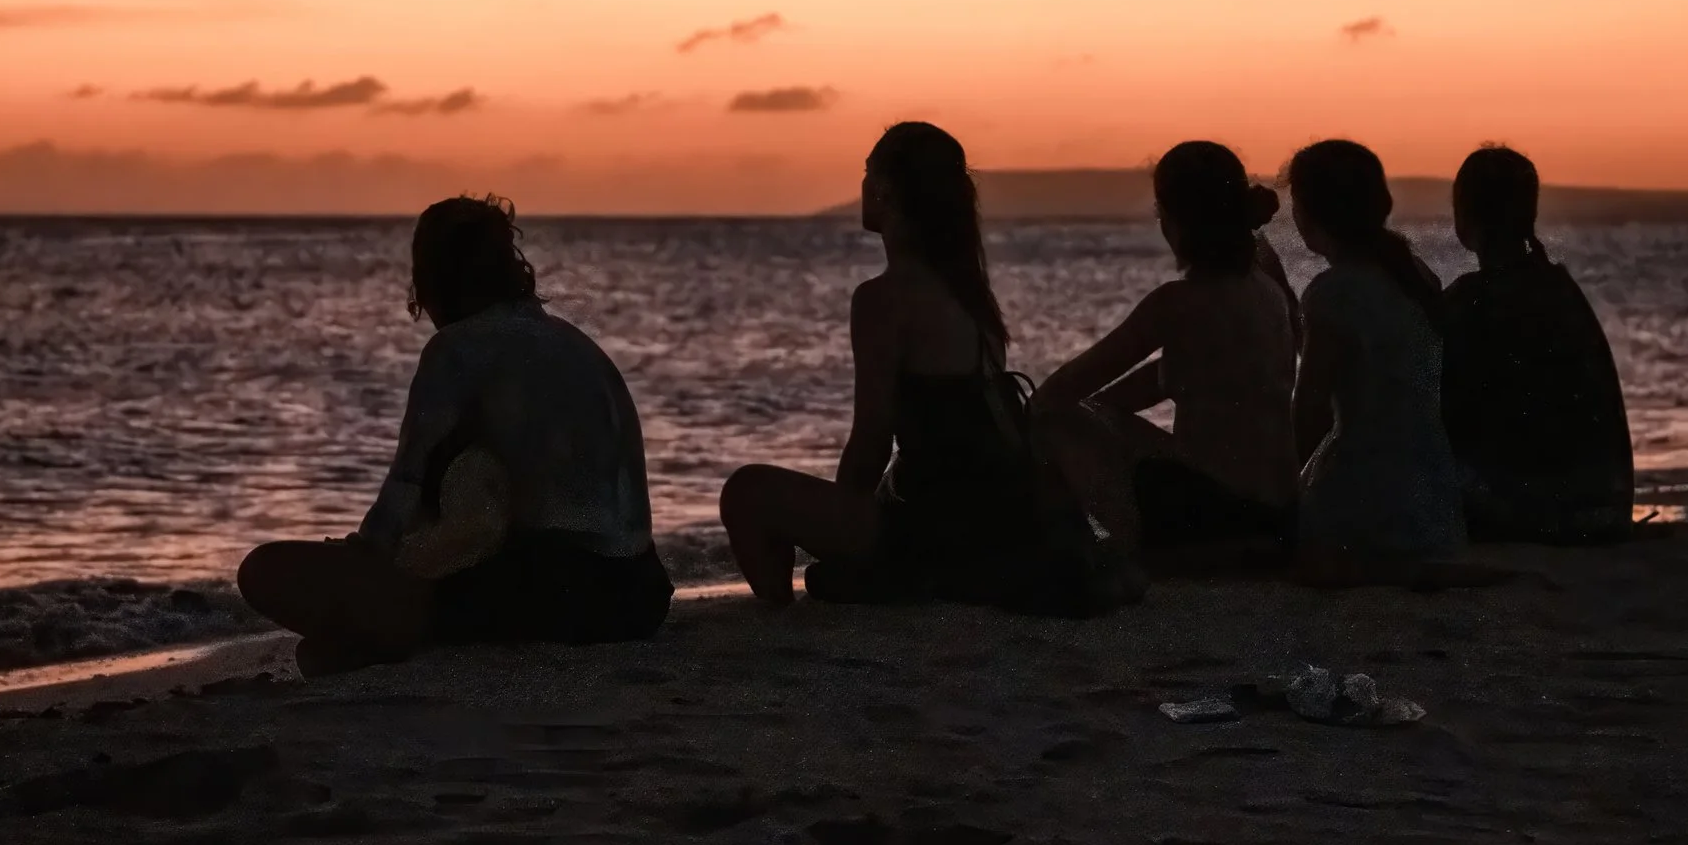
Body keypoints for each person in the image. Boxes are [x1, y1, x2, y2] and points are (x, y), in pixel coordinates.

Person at [237, 195, 672, 675]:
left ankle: (388, 638)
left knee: (264, 569)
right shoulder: (577, 344)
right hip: (641, 594)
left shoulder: (458, 349)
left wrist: (362, 557)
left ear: (430, 279)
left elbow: (404, 489)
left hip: (560, 595)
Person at [719, 121, 1120, 613]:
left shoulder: (884, 299)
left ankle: (782, 613)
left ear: (885, 188)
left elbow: (871, 439)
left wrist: (846, 522)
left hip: (939, 532)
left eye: (868, 172)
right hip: (997, 524)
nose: (863, 185)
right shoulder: (971, 296)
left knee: (747, 491)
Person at [1030, 140, 1300, 566]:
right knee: (1088, 414)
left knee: (1049, 422)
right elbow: (1198, 373)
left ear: (1174, 220)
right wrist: (1100, 411)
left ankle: (1091, 550)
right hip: (1280, 515)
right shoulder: (1268, 281)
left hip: (1212, 515)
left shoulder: (1177, 303)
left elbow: (1054, 395)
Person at [1286, 138, 1466, 576]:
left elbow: (1309, 407)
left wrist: (1280, 487)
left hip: (1366, 505)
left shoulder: (1333, 292)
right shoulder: (1414, 275)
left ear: (1308, 215)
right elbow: (1345, 357)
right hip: (1434, 504)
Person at [1443, 145, 1635, 544]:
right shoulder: (1561, 289)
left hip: (1535, 515)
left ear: (1463, 221)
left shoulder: (1472, 301)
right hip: (1602, 506)